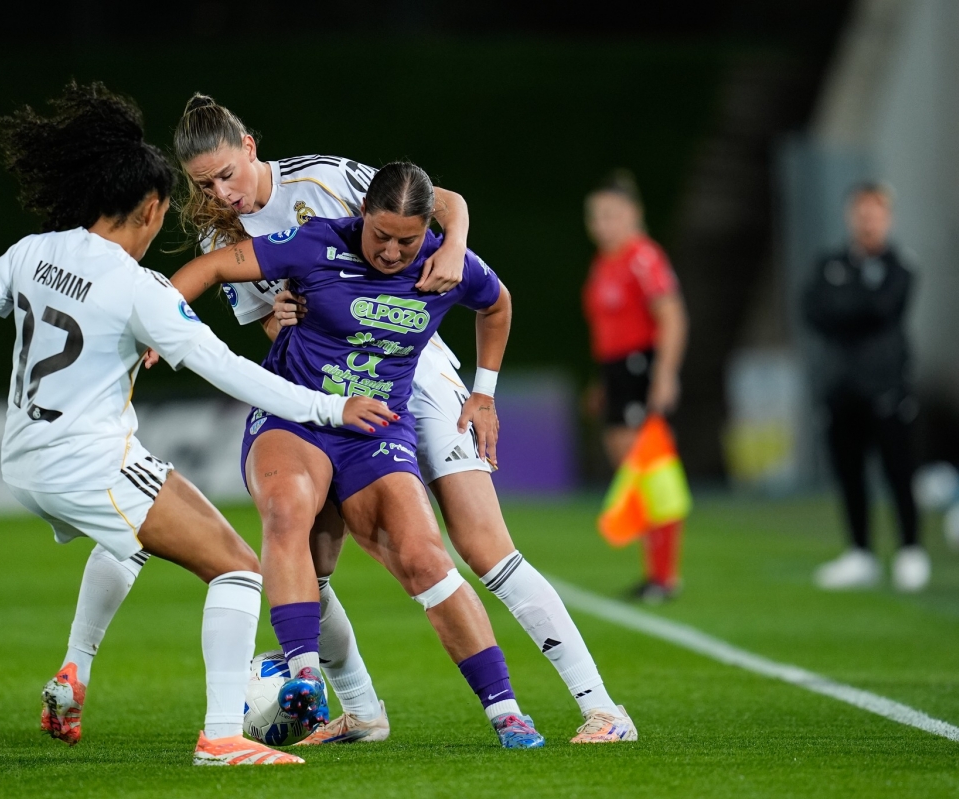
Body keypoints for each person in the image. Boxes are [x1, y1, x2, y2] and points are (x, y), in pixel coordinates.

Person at [0, 81, 394, 766]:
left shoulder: (32, 251)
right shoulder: (135, 287)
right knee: (238, 568)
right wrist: (329, 406)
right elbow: (231, 371)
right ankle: (220, 736)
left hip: (21, 457)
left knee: (128, 539)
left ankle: (74, 669)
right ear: (148, 207)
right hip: (85, 459)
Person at [167, 94, 636, 745]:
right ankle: (358, 707)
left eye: (227, 174)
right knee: (307, 554)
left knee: (480, 544)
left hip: (417, 367)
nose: (221, 193)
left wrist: (454, 254)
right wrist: (284, 315)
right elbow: (271, 321)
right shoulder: (221, 231)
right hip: (331, 386)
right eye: (203, 185)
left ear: (249, 148)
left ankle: (603, 705)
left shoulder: (324, 178)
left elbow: (440, 204)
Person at [804, 182, 926, 592]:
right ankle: (860, 552)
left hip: (887, 385)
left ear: (886, 217)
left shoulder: (901, 263)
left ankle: (910, 549)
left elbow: (885, 307)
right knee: (849, 472)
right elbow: (815, 310)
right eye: (860, 212)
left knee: (898, 470)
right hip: (842, 386)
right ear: (849, 216)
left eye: (875, 212)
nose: (867, 220)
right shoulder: (830, 263)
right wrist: (858, 304)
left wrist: (849, 305)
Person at [582, 170, 689, 603]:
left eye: (610, 214)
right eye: (595, 216)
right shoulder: (604, 263)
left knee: (648, 469)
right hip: (618, 371)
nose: (601, 224)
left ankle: (664, 575)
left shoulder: (643, 257)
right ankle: (656, 569)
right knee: (628, 465)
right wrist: (604, 382)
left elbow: (672, 316)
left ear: (632, 215)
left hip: (642, 366)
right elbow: (610, 328)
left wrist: (664, 374)